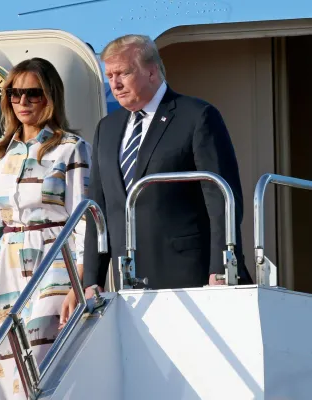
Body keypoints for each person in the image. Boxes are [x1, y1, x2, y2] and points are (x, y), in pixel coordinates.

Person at [83, 34, 252, 294]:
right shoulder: (107, 128)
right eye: (110, 75)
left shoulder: (197, 116)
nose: (115, 84)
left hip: (190, 274)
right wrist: (91, 280)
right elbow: (98, 208)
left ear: (151, 72)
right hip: (128, 281)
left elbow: (222, 199)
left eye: (123, 73)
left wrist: (221, 268)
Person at [0, 57, 91, 398]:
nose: (22, 101)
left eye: (33, 93)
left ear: (50, 97)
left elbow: (84, 223)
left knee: (40, 360)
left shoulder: (71, 149)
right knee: (3, 368)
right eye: (14, 93)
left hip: (56, 260)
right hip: (7, 268)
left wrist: (78, 286)